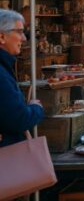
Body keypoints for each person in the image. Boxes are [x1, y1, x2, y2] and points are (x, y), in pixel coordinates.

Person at [0, 9, 44, 147]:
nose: (24, 38)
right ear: (2, 37)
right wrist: (36, 108)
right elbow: (19, 119)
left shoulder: (4, 66)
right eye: (19, 32)